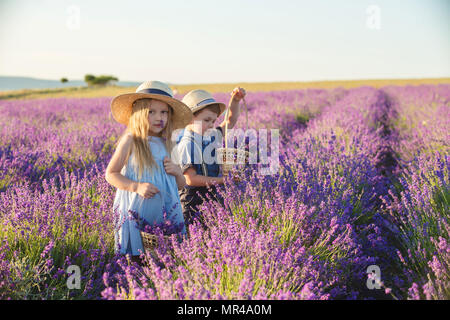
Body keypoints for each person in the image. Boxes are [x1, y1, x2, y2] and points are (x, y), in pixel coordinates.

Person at [105, 80, 192, 261]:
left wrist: (177, 172)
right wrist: (136, 186)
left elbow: (181, 184)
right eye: (151, 112)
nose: (159, 117)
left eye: (164, 112)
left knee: (165, 257)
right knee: (134, 258)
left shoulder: (168, 143)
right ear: (138, 114)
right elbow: (111, 174)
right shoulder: (131, 140)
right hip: (136, 210)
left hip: (165, 210)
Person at [175, 87, 246, 227]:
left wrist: (235, 100)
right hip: (191, 203)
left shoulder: (208, 136)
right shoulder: (187, 143)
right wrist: (222, 181)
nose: (211, 125)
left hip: (211, 198)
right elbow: (190, 179)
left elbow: (230, 121)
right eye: (206, 120)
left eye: (213, 121)